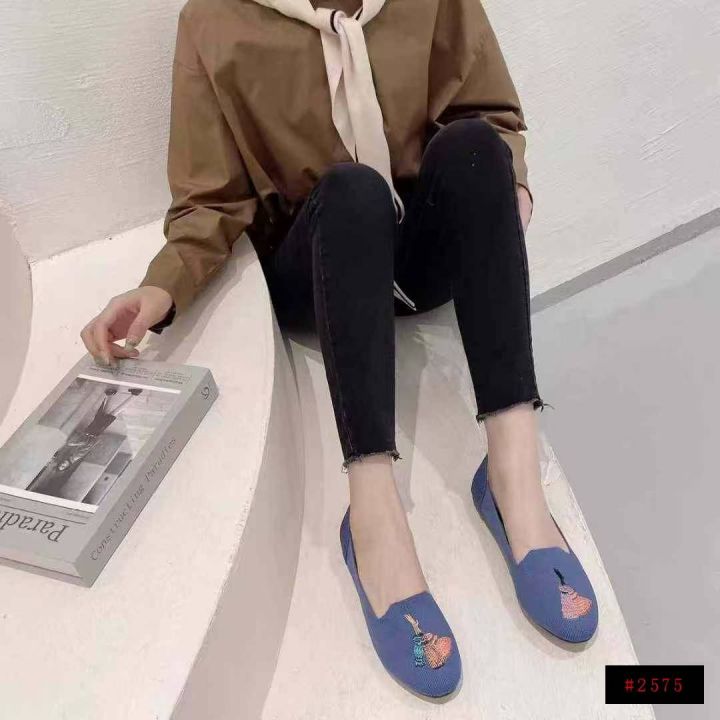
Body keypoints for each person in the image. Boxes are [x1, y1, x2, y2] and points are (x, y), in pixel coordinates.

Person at [80, 0, 598, 699]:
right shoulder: (214, 21)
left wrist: (506, 192)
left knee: (475, 146)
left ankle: (514, 480)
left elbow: (490, 115)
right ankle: (374, 519)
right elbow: (210, 201)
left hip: (420, 257)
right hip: (321, 270)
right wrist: (160, 288)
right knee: (352, 191)